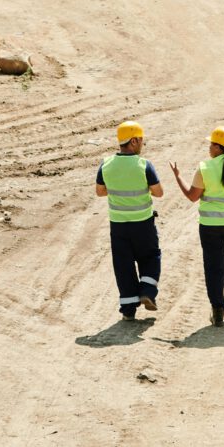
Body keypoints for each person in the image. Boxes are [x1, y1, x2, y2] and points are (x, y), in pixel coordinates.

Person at [170, 126, 224, 327]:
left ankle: (217, 309)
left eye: (211, 144)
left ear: (219, 147)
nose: (209, 147)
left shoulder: (205, 168)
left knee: (214, 265)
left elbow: (192, 196)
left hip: (210, 226)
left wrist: (178, 177)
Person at [96, 121, 163, 321]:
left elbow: (100, 192)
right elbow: (158, 192)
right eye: (141, 140)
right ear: (133, 141)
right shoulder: (144, 165)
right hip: (143, 223)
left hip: (118, 226)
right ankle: (147, 291)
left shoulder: (106, 164)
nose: (142, 144)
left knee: (123, 265)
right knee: (151, 257)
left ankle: (128, 310)